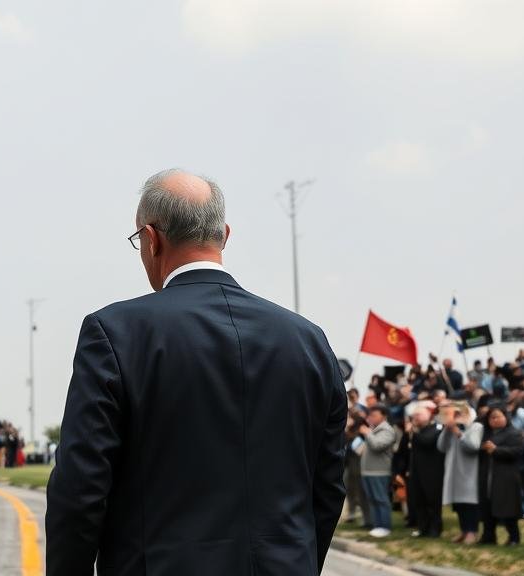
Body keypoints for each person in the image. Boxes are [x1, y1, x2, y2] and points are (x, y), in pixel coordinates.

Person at [45, 169, 346, 576]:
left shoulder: (115, 333)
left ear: (151, 239)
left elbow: (80, 489)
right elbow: (326, 489)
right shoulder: (309, 341)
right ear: (224, 234)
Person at [439, 402, 484, 545]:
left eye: (458, 414)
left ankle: (472, 531)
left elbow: (473, 446)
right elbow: (441, 447)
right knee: (458, 504)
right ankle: (464, 530)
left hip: (469, 470)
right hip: (454, 470)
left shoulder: (476, 427)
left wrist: (458, 432)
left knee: (469, 502)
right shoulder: (451, 429)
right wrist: (447, 429)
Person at [478, 405, 524, 546]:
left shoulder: (514, 433)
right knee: (487, 507)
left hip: (507, 476)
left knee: (507, 508)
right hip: (488, 475)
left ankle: (514, 537)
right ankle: (488, 536)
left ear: (506, 417)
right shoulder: (486, 433)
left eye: (498, 416)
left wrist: (496, 450)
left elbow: (516, 452)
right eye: (492, 417)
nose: (495, 420)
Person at [359, 404, 397, 538]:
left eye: (374, 415)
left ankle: (385, 527)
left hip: (379, 471)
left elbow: (377, 445)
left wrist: (368, 434)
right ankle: (377, 526)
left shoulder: (387, 430)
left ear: (384, 416)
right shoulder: (374, 430)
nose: (371, 418)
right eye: (370, 415)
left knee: (381, 499)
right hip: (368, 471)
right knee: (372, 500)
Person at [407, 404, 444, 538]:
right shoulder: (416, 431)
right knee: (419, 500)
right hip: (416, 471)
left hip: (432, 472)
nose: (415, 418)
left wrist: (414, 432)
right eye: (414, 415)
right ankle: (423, 528)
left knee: (432, 502)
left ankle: (435, 528)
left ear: (429, 415)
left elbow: (428, 442)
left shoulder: (436, 428)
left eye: (419, 415)